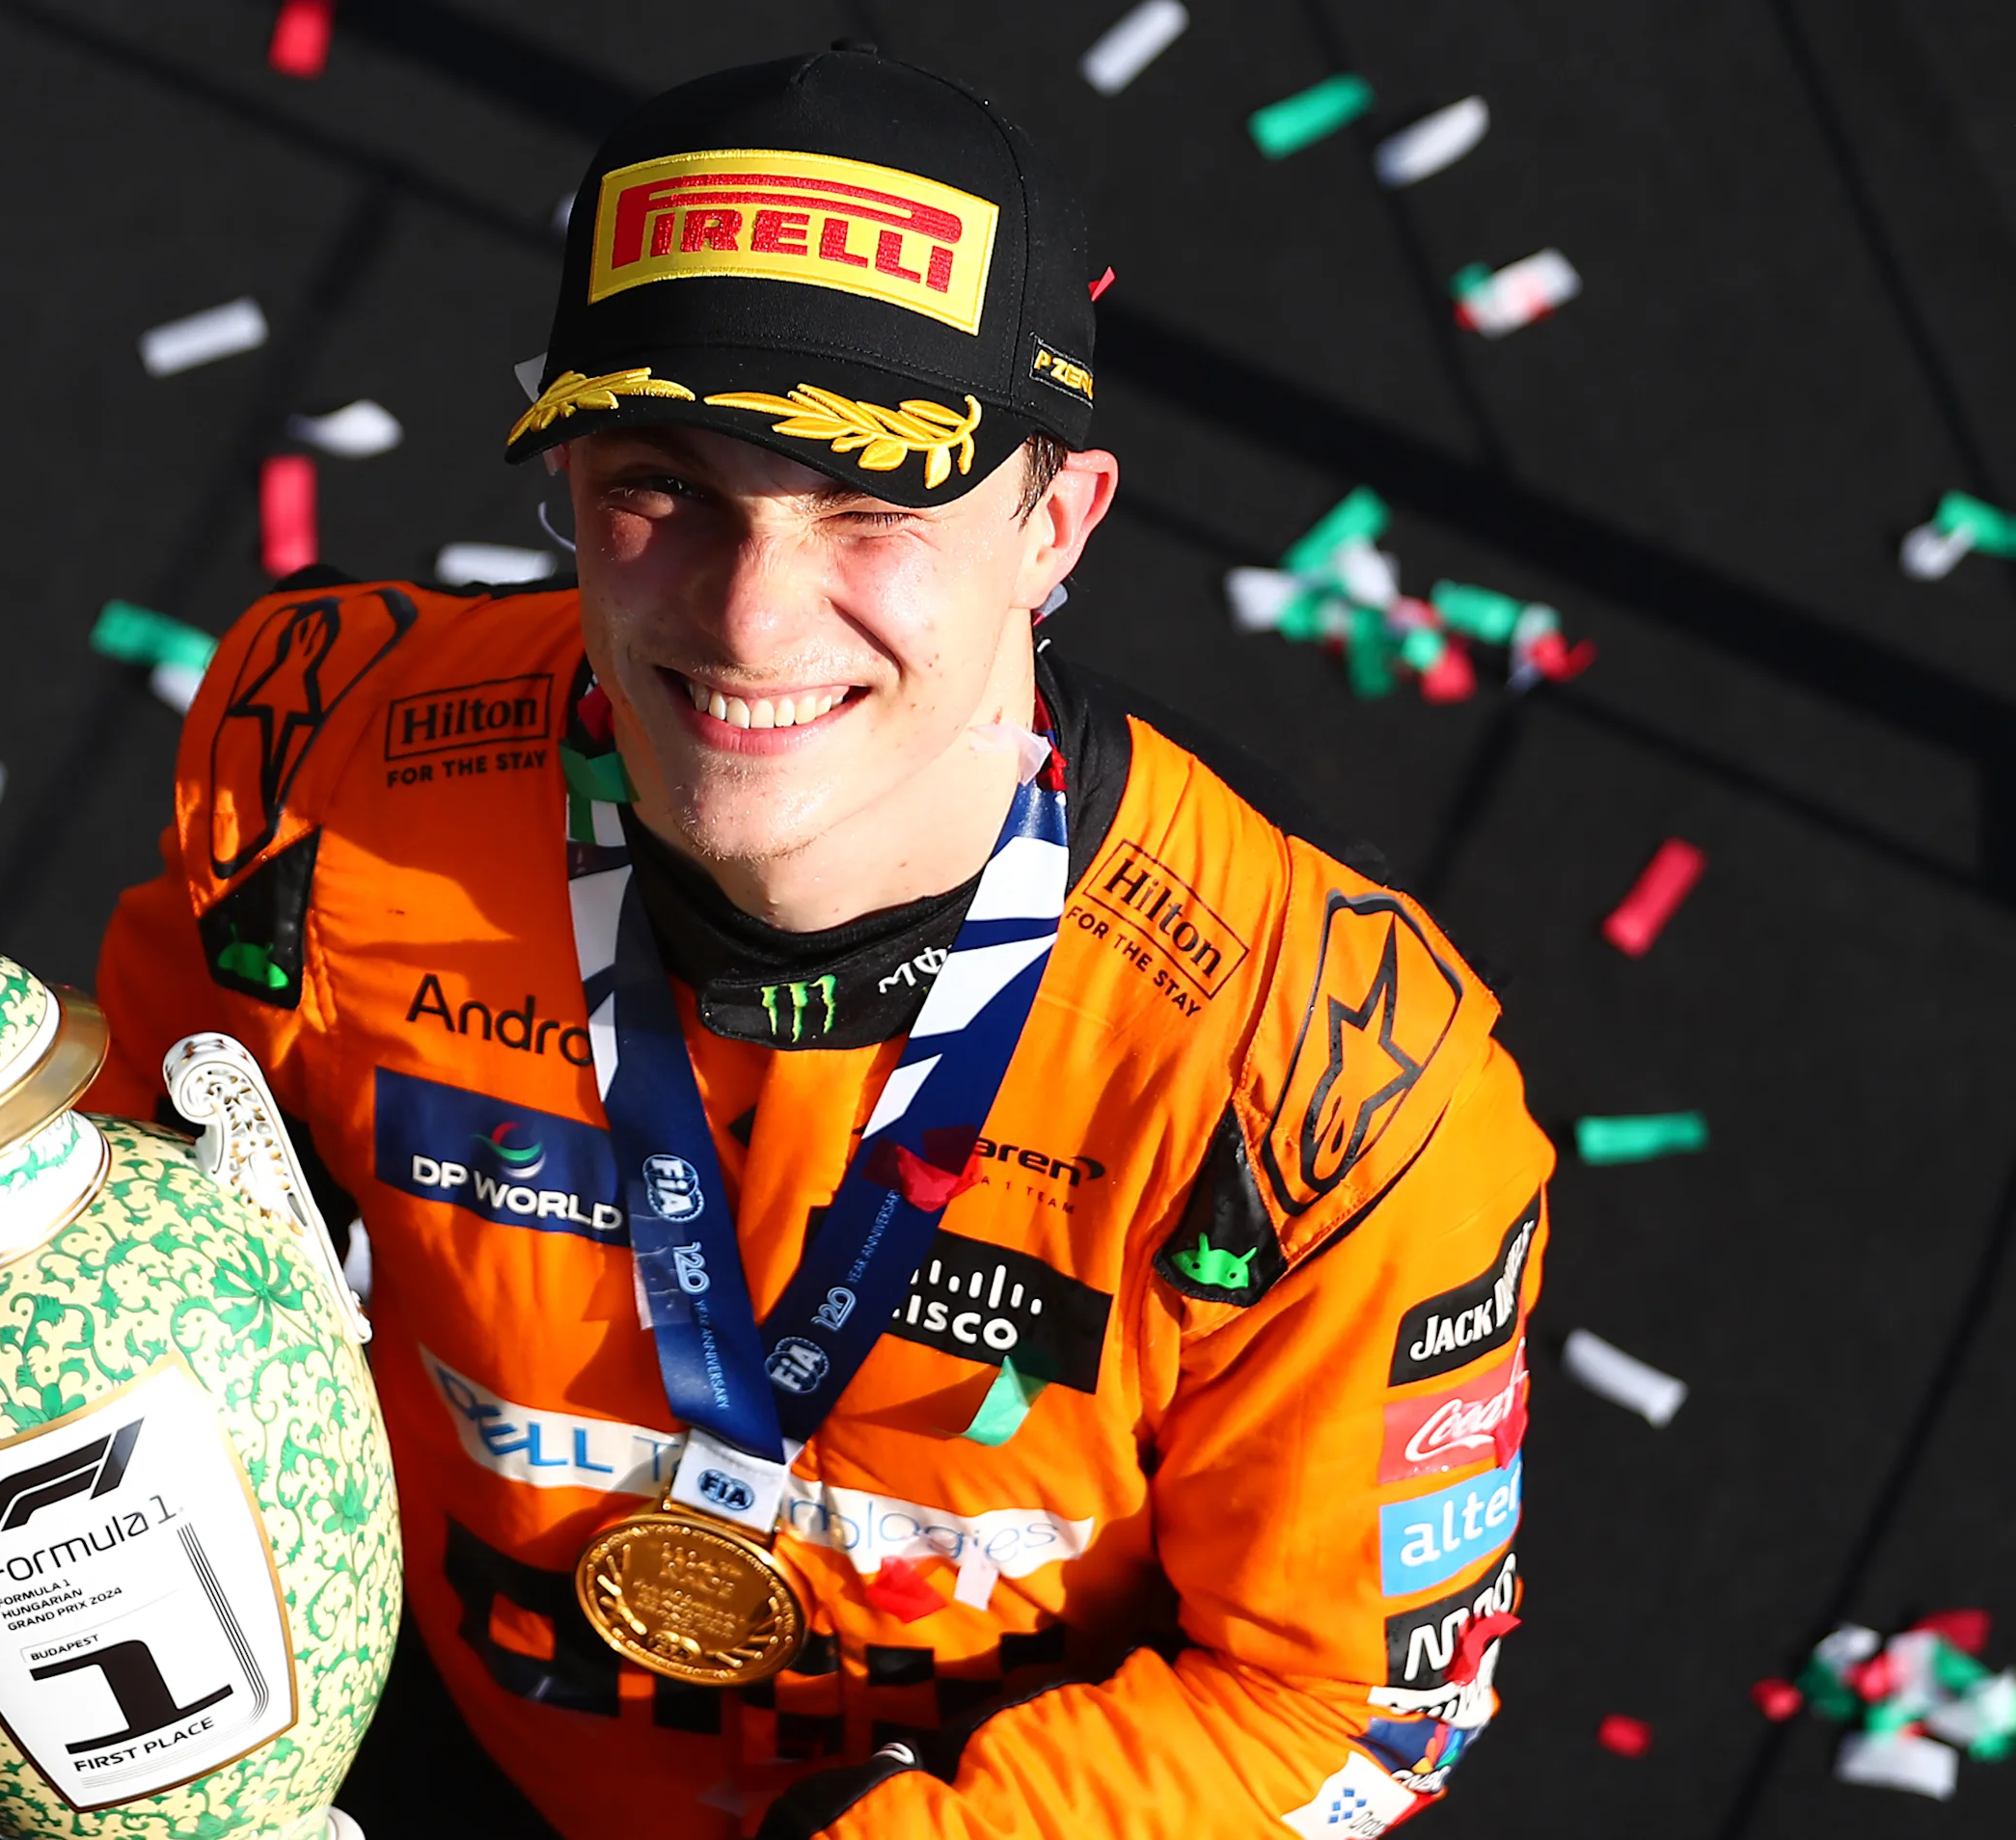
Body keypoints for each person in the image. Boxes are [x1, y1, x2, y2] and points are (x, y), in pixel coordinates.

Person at [87, 45, 1546, 1840]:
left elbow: (1352, 1710)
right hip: (399, 1738)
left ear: (1056, 523)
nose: (750, 612)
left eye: (872, 501)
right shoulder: (322, 770)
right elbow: (121, 1253)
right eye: (660, 482)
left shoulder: (1326, 1084)